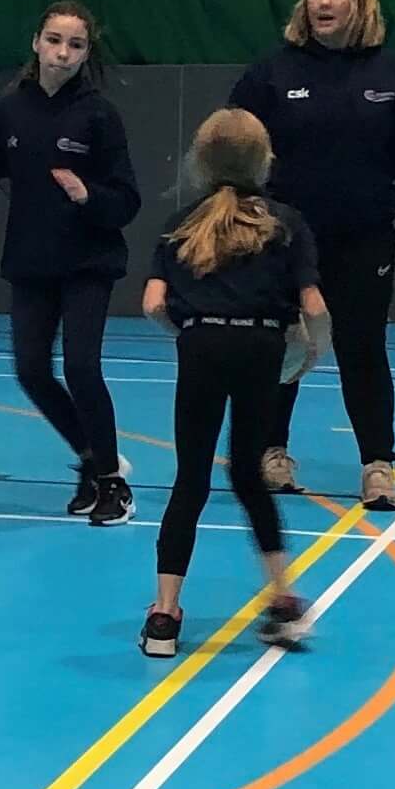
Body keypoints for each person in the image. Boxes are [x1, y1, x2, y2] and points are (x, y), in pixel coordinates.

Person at [229, 0, 395, 514]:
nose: (324, 3)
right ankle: (271, 453)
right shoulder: (271, 73)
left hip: (364, 238)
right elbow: (233, 145)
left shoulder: (389, 74)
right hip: (282, 239)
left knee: (362, 347)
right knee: (280, 346)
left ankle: (378, 465)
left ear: (360, 3)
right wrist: (232, 210)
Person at [0, 0, 144, 523]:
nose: (62, 52)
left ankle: (114, 486)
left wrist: (86, 194)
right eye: (54, 40)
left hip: (88, 262)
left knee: (81, 366)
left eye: (75, 44)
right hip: (31, 262)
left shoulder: (98, 115)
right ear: (36, 43)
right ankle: (95, 459)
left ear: (86, 52)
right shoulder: (9, 112)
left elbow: (126, 200)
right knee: (30, 369)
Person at [138, 108, 330, 660]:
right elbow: (313, 305)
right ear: (264, 161)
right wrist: (314, 350)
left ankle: (164, 617)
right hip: (261, 348)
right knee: (249, 473)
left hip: (201, 346)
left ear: (201, 162)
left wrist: (191, 329)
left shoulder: (182, 223)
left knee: (190, 479)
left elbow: (153, 304)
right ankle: (284, 599)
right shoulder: (286, 223)